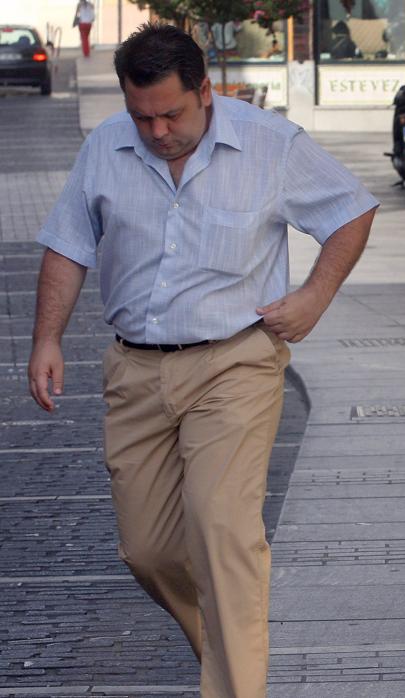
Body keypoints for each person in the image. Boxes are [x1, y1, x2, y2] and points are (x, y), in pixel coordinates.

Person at [27, 24, 378, 697]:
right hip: (135, 371)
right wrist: (46, 338)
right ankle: (227, 650)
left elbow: (351, 211)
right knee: (149, 551)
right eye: (143, 117)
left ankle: (235, 687)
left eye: (171, 114)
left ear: (205, 90)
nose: (157, 131)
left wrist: (314, 295)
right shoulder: (107, 145)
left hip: (234, 365)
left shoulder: (270, 144)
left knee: (223, 532)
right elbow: (68, 243)